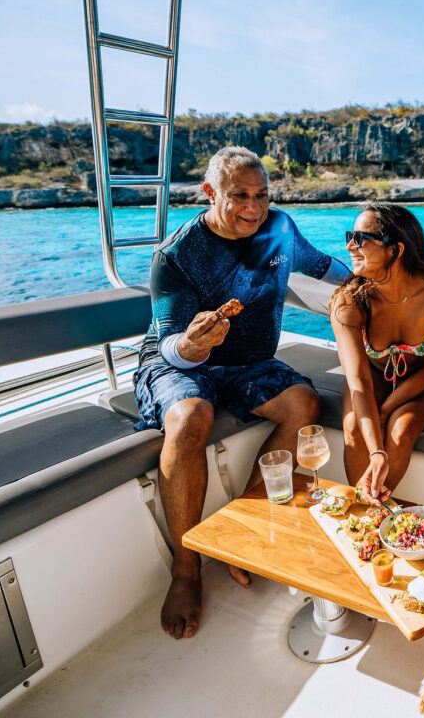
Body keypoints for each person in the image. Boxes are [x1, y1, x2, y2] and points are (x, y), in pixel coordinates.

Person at [134, 146, 350, 641]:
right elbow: (170, 342)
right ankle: (186, 571)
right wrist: (193, 344)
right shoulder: (177, 254)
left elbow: (320, 266)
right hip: (177, 361)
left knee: (304, 404)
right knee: (191, 417)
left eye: (261, 195)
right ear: (210, 193)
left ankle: (247, 528)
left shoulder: (278, 227)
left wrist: (368, 281)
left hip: (250, 364)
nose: (254, 208)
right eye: (239, 196)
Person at [330, 204, 424, 504]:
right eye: (350, 236)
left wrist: (385, 411)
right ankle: (367, 513)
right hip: (372, 377)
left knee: (400, 431)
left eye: (360, 238)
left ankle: (374, 507)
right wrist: (376, 450)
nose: (349, 245)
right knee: (354, 427)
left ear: (395, 249)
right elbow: (359, 382)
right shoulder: (347, 302)